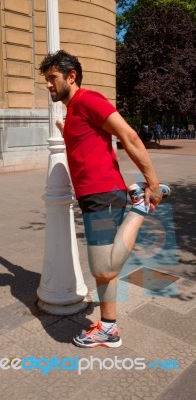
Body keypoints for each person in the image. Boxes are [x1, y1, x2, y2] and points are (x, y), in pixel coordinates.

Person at [39, 50, 167, 349]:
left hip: (103, 196)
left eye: (52, 78)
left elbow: (130, 136)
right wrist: (65, 129)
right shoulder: (74, 112)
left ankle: (139, 206)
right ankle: (108, 328)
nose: (48, 85)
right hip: (94, 196)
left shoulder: (90, 100)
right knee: (104, 270)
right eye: (46, 80)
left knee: (103, 269)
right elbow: (86, 139)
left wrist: (153, 183)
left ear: (71, 76)